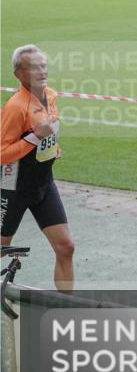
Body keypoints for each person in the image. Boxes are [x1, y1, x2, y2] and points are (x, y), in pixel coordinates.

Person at [1, 45, 74, 292]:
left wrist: (52, 148)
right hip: (13, 188)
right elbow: (2, 155)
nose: (42, 71)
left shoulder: (51, 96)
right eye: (33, 67)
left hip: (44, 183)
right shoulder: (15, 107)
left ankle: (66, 312)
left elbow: (46, 134)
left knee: (66, 247)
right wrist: (34, 138)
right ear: (18, 74)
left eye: (43, 65)